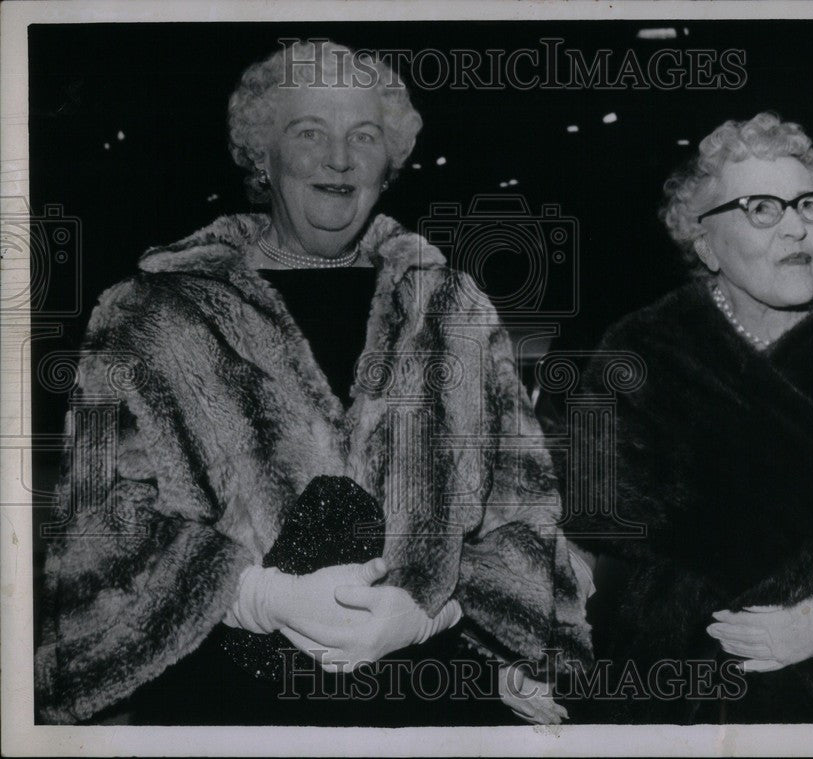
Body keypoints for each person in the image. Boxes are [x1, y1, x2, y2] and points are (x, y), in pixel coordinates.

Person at [35, 40, 591, 726]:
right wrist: (253, 595)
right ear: (260, 157)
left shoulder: (452, 307)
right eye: (309, 133)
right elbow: (96, 523)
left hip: (430, 700)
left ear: (389, 163)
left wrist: (436, 608)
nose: (338, 158)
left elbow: (521, 507)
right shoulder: (149, 313)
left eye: (363, 135)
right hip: (227, 706)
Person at [559, 112, 813, 723]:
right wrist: (542, 637)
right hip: (673, 689)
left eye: (809, 205)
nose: (795, 230)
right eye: (762, 209)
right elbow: (584, 537)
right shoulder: (641, 351)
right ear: (704, 242)